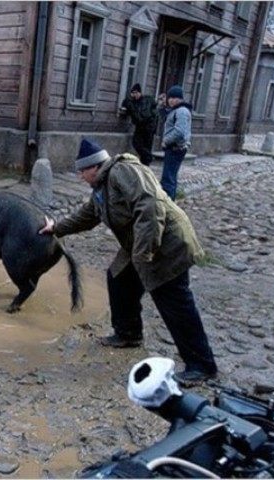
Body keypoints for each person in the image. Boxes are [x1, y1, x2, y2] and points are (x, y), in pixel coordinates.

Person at [39, 138, 217, 386]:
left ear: (94, 167)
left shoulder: (123, 171)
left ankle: (202, 365)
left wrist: (144, 254)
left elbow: (151, 207)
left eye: (81, 171)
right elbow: (86, 217)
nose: (80, 176)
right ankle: (128, 333)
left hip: (166, 243)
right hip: (139, 244)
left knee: (175, 303)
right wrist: (55, 229)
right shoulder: (101, 188)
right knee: (119, 278)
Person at [159, 85, 192, 200]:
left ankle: (168, 204)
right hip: (174, 148)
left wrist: (165, 141)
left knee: (168, 179)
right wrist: (162, 104)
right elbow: (165, 115)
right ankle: (169, 202)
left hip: (175, 148)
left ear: (180, 99)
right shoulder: (177, 110)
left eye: (174, 98)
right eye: (169, 98)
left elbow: (180, 132)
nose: (171, 100)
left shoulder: (181, 111)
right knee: (170, 177)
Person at [119, 83, 157, 166]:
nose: (134, 94)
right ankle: (147, 158)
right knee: (137, 143)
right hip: (140, 126)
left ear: (140, 92)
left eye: (136, 92)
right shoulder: (132, 102)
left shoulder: (145, 101)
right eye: (133, 93)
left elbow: (140, 114)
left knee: (145, 145)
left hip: (148, 126)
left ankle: (146, 163)